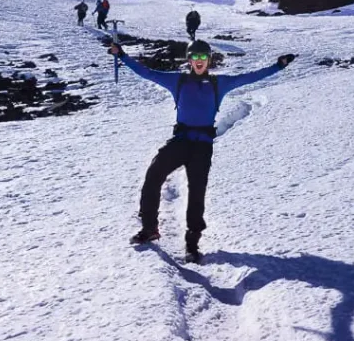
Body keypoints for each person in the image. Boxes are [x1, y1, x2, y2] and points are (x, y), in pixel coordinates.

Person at [109, 38, 296, 261]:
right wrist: (122, 55)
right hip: (180, 142)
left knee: (197, 193)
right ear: (189, 60)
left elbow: (250, 77)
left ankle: (192, 243)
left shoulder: (220, 84)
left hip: (202, 147)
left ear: (208, 60)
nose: (199, 61)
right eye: (195, 57)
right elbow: (147, 73)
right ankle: (150, 228)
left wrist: (279, 65)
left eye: (203, 57)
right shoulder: (177, 81)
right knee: (154, 173)